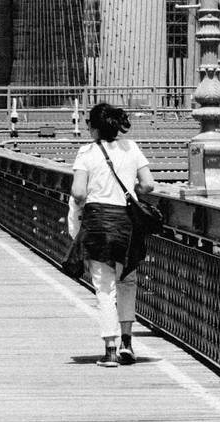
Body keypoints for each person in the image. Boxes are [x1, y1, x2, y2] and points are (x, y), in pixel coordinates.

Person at [65, 102, 157, 366]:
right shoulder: (132, 148)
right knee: (127, 281)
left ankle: (110, 350)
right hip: (126, 223)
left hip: (98, 224)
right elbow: (148, 184)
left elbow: (79, 192)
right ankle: (128, 342)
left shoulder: (86, 152)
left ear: (93, 128)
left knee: (104, 288)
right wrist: (131, 188)